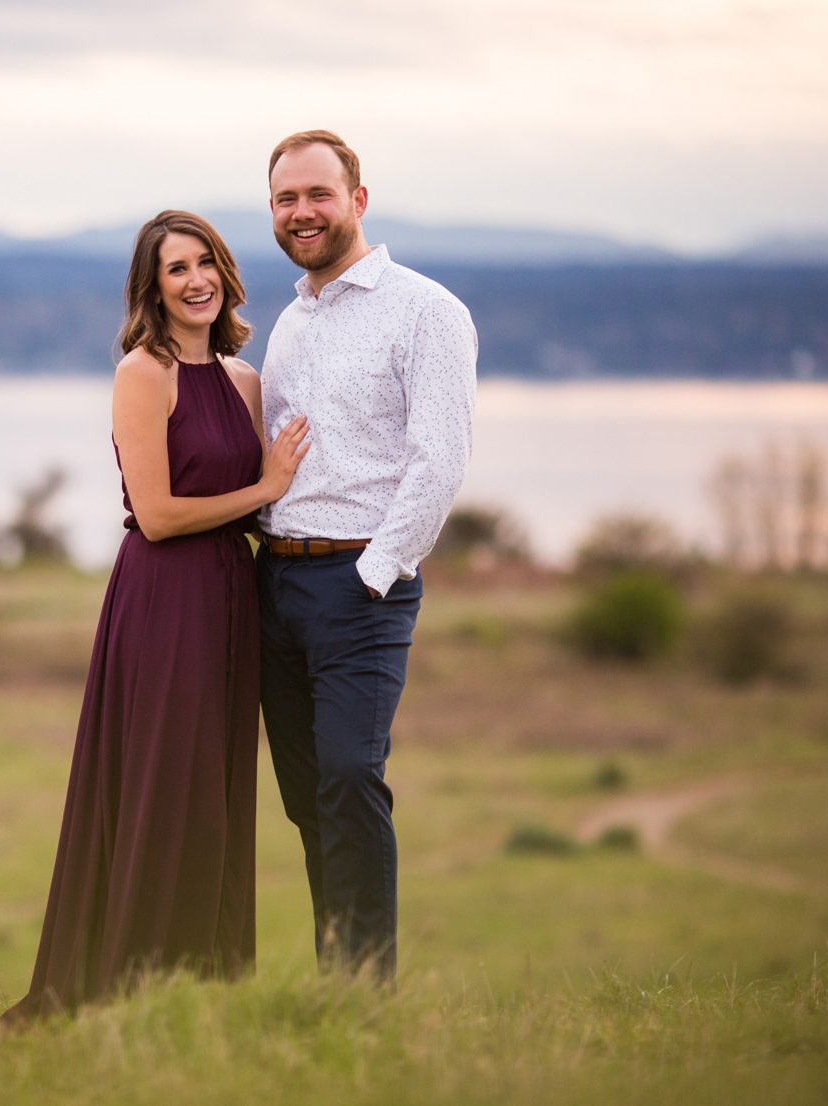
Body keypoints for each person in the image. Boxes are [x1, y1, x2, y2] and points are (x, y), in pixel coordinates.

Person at [2, 211, 310, 1020]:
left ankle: (203, 988)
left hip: (231, 603)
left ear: (227, 272)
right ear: (153, 287)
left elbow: (262, 500)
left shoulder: (246, 380)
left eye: (206, 262)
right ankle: (125, 984)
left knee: (213, 787)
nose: (196, 279)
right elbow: (161, 512)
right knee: (159, 784)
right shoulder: (145, 372)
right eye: (177, 269)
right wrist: (266, 489)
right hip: (164, 597)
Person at [255, 130, 478, 980]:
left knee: (351, 779)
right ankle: (335, 979)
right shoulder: (289, 321)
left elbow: (441, 459)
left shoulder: (427, 310)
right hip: (275, 580)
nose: (302, 212)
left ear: (359, 199)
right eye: (285, 199)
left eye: (318, 194)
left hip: (360, 586)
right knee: (311, 800)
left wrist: (374, 573)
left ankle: (367, 995)